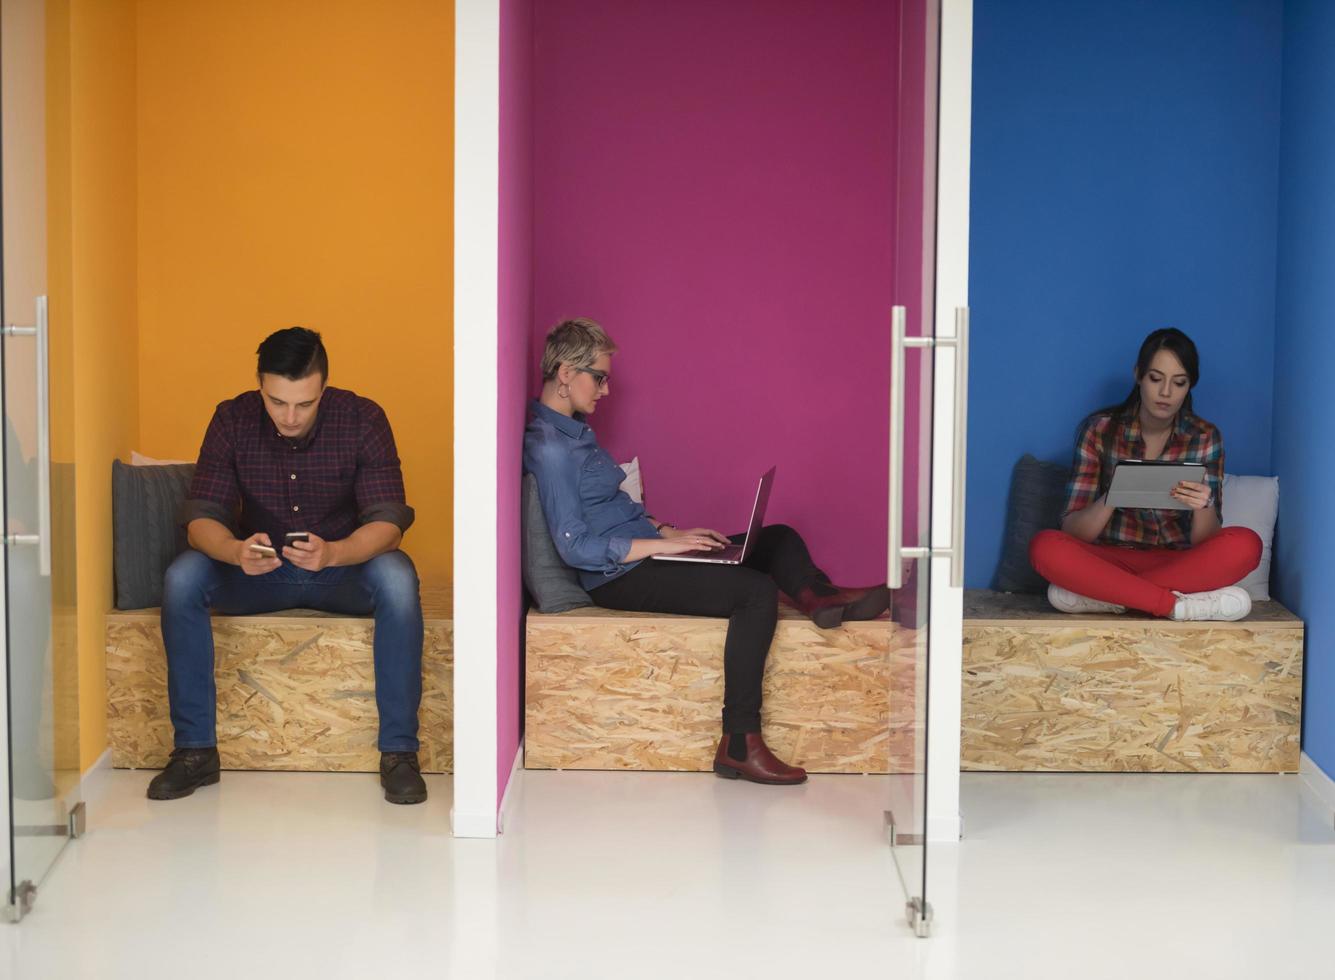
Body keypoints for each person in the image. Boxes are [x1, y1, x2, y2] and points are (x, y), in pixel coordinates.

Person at [523, 318, 891, 786]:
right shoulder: (552, 450)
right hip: (618, 576)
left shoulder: (576, 434)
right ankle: (739, 743)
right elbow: (577, 546)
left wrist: (670, 530)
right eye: (599, 376)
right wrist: (663, 545)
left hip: (648, 551)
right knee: (755, 591)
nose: (606, 390)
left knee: (776, 537)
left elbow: (610, 507)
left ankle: (821, 599)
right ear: (563, 372)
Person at [149, 327, 427, 804]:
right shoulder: (231, 419)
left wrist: (335, 552)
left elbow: (389, 522)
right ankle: (195, 752)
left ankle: (399, 754)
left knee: (398, 578)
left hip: (343, 570)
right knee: (182, 578)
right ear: (260, 385)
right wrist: (236, 551)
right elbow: (201, 520)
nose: (290, 416)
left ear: (324, 387)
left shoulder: (363, 418)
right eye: (277, 402)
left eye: (305, 403)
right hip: (259, 574)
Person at [1029, 328, 1262, 621]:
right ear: (1138, 374)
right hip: (1109, 559)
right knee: (1045, 547)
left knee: (1246, 544)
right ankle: (1174, 606)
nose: (1165, 393)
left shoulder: (1205, 437)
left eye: (1179, 383)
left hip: (1177, 562)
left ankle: (1111, 596)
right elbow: (1073, 531)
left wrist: (1205, 505)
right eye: (1155, 378)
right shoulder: (1099, 430)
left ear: (1189, 386)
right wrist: (1113, 494)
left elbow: (1206, 542)